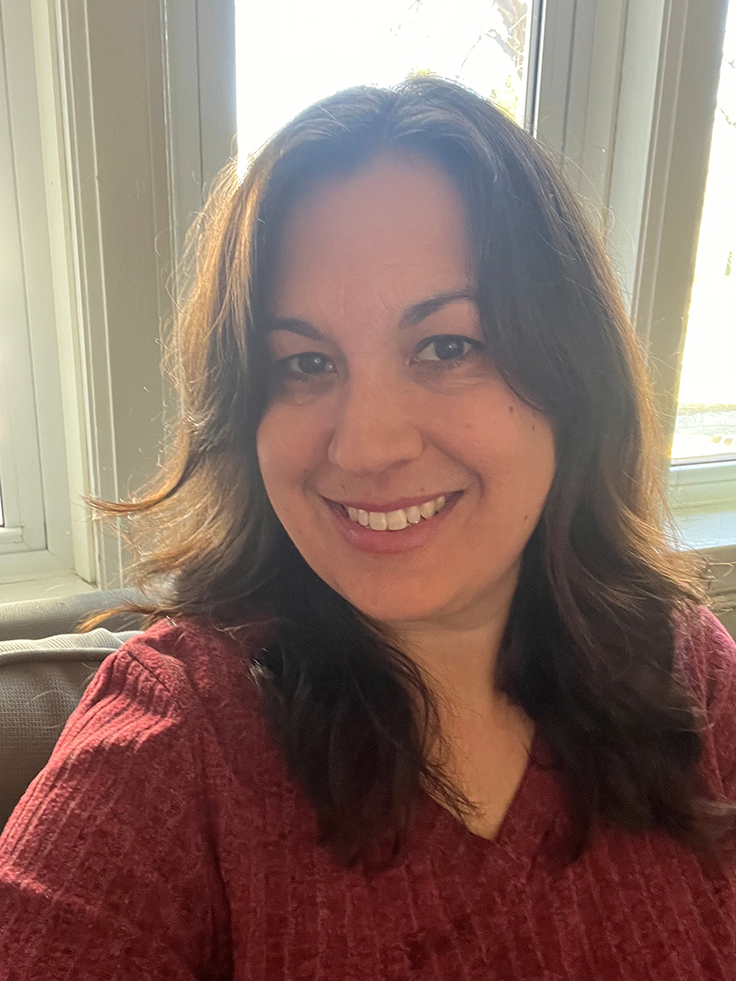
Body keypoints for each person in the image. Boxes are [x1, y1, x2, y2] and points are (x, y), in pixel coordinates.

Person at [1, 76, 735, 980]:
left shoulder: (686, 669)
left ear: (570, 379)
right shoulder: (174, 742)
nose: (365, 446)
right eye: (305, 362)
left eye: (449, 347)